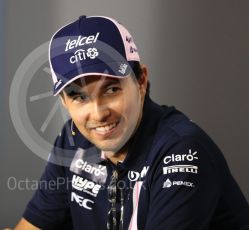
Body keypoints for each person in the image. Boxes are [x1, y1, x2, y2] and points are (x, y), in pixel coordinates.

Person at [14, 15, 249, 230]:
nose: (98, 114)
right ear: (65, 102)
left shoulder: (182, 150)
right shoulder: (73, 140)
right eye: (79, 96)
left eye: (112, 89)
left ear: (141, 82)